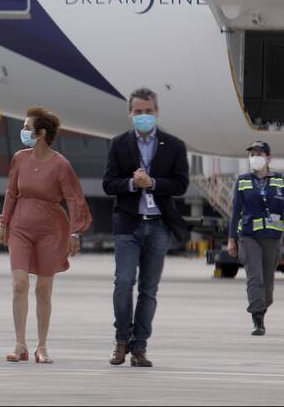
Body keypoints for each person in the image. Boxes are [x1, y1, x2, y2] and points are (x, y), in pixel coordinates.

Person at [0, 107, 91, 364]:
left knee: (44, 289)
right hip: (20, 228)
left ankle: (42, 345)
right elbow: (10, 193)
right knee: (19, 284)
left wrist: (75, 232)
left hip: (50, 231)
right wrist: (3, 224)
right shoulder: (19, 158)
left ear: (41, 133)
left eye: (27, 127)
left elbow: (75, 199)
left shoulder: (61, 165)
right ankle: (19, 344)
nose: (23, 131)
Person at [103, 87, 189, 368]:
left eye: (148, 111)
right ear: (130, 113)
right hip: (128, 224)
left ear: (157, 112)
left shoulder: (174, 145)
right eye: (138, 112)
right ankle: (121, 340)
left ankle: (139, 346)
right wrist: (131, 184)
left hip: (159, 225)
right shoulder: (118, 144)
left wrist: (152, 183)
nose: (143, 116)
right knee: (123, 282)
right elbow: (108, 184)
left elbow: (180, 184)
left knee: (149, 289)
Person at [227, 141, 284, 336]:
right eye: (252, 154)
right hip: (249, 236)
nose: (255, 157)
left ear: (269, 158)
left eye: (259, 153)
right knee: (255, 278)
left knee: (267, 283)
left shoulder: (280, 180)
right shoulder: (243, 181)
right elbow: (235, 212)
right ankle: (257, 318)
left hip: (272, 237)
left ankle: (262, 306)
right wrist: (231, 239)